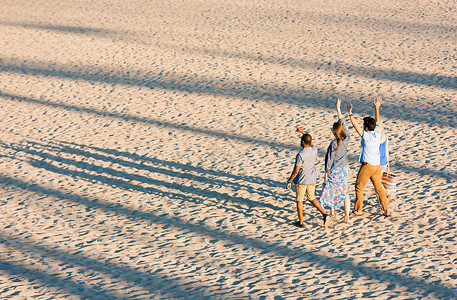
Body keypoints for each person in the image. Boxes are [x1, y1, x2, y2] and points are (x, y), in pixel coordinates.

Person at [347, 97, 391, 217]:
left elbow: (355, 126)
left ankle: (359, 209)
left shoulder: (366, 136)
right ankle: (386, 209)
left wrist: (350, 114)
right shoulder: (377, 133)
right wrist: (377, 107)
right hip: (377, 165)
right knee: (379, 188)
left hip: (367, 166)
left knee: (359, 187)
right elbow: (378, 121)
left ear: (366, 128)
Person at [286, 132, 329, 227]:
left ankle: (301, 222)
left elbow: (296, 171)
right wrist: (303, 132)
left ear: (303, 142)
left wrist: (289, 181)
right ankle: (324, 214)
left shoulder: (300, 155)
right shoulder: (314, 150)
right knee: (312, 197)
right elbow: (311, 142)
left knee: (299, 200)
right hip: (312, 178)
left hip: (302, 180)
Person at [320, 99, 351, 224]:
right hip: (343, 170)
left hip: (334, 170)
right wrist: (338, 109)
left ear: (334, 131)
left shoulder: (333, 144)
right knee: (344, 192)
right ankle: (347, 217)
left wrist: (326, 172)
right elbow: (342, 122)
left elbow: (329, 159)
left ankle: (332, 212)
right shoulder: (346, 138)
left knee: (331, 190)